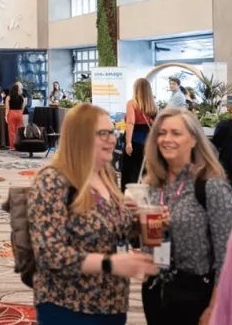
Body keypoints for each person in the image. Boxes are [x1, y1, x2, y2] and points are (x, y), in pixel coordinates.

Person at [28, 103, 157, 324]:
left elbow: (110, 231)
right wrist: (109, 263)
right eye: (103, 133)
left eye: (113, 132)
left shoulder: (107, 176)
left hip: (112, 303)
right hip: (69, 306)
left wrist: (136, 220)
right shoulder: (53, 180)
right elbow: (49, 253)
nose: (112, 139)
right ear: (81, 137)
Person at [140, 107, 232, 325]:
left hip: (196, 295)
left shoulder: (211, 186)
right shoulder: (153, 186)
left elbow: (228, 258)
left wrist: (215, 307)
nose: (166, 139)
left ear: (194, 139)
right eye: (161, 133)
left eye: (176, 133)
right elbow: (150, 239)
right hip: (156, 291)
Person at [120, 78, 157, 191]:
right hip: (148, 143)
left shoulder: (132, 104)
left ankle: (128, 198)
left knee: (130, 172)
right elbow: (156, 126)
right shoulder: (153, 106)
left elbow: (130, 123)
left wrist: (128, 142)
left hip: (135, 141)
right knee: (145, 172)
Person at [6, 83, 26, 151]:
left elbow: (7, 108)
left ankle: (13, 146)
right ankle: (19, 145)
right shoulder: (21, 97)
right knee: (18, 131)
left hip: (11, 113)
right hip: (19, 113)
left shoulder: (9, 97)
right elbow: (23, 107)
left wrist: (5, 116)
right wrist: (20, 113)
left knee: (11, 131)